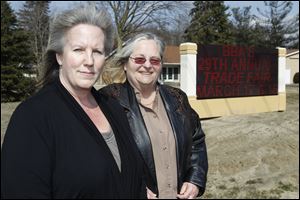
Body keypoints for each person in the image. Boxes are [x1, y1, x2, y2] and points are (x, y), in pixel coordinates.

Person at [1, 6, 146, 199]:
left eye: (97, 51)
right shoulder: (33, 116)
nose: (89, 60)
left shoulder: (113, 107)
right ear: (59, 56)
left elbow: (135, 180)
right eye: (78, 49)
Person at [100, 33, 208, 199]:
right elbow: (98, 156)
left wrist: (195, 180)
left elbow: (197, 141)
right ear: (125, 64)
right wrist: (132, 187)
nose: (148, 65)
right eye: (140, 59)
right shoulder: (109, 101)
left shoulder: (177, 99)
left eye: (155, 60)